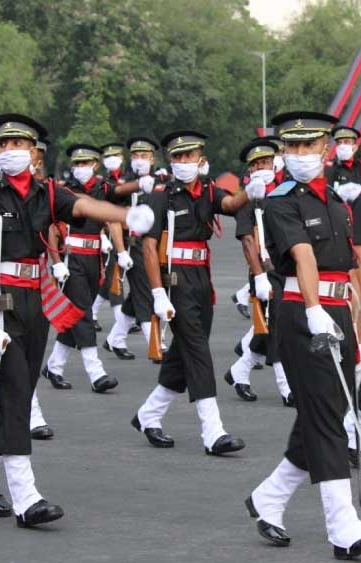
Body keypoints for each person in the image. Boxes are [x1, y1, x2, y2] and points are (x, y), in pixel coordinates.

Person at [0, 113, 153, 527]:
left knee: (20, 392)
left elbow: (82, 204)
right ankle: (26, 499)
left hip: (34, 300)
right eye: (3, 145)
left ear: (34, 153)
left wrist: (123, 216)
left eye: (18, 145)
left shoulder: (46, 193)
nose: (9, 152)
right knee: (13, 395)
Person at [245, 111, 361, 558]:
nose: (300, 154)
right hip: (300, 313)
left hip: (339, 311)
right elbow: (304, 257)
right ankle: (343, 527)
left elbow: (349, 265)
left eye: (309, 146)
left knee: (321, 412)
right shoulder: (280, 201)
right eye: (291, 147)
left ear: (326, 150)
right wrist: (313, 310)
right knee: (330, 420)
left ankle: (268, 498)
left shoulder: (336, 202)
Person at [130, 130, 253, 455]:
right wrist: (157, 292)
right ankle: (213, 432)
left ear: (201, 160)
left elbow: (228, 203)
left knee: (183, 354)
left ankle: (148, 415)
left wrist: (249, 191)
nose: (184, 162)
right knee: (197, 350)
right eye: (178, 157)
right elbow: (149, 247)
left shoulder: (207, 191)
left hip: (200, 278)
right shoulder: (160, 196)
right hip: (174, 280)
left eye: (189, 156)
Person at [42, 144, 126, 393]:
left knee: (75, 315)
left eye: (85, 163)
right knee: (84, 313)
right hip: (71, 257)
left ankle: (54, 366)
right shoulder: (63, 191)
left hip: (94, 258)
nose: (80, 168)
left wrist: (121, 252)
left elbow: (112, 219)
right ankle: (95, 371)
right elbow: (51, 227)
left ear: (95, 165)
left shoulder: (102, 189)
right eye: (76, 164)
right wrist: (56, 262)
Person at [223, 138, 293, 405]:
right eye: (256, 164)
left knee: (269, 328)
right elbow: (247, 240)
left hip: (287, 268)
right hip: (265, 270)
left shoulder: (284, 191)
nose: (262, 167)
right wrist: (260, 277)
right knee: (278, 328)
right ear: (249, 170)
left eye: (266, 162)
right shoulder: (248, 199)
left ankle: (239, 372)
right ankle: (286, 386)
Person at [102, 137, 158, 361]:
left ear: (152, 158)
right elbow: (114, 220)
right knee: (145, 294)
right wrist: (121, 251)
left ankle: (115, 338)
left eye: (144, 156)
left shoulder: (159, 181)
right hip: (131, 245)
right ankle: (154, 344)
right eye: (135, 156)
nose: (139, 160)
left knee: (137, 295)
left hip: (153, 245)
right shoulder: (124, 185)